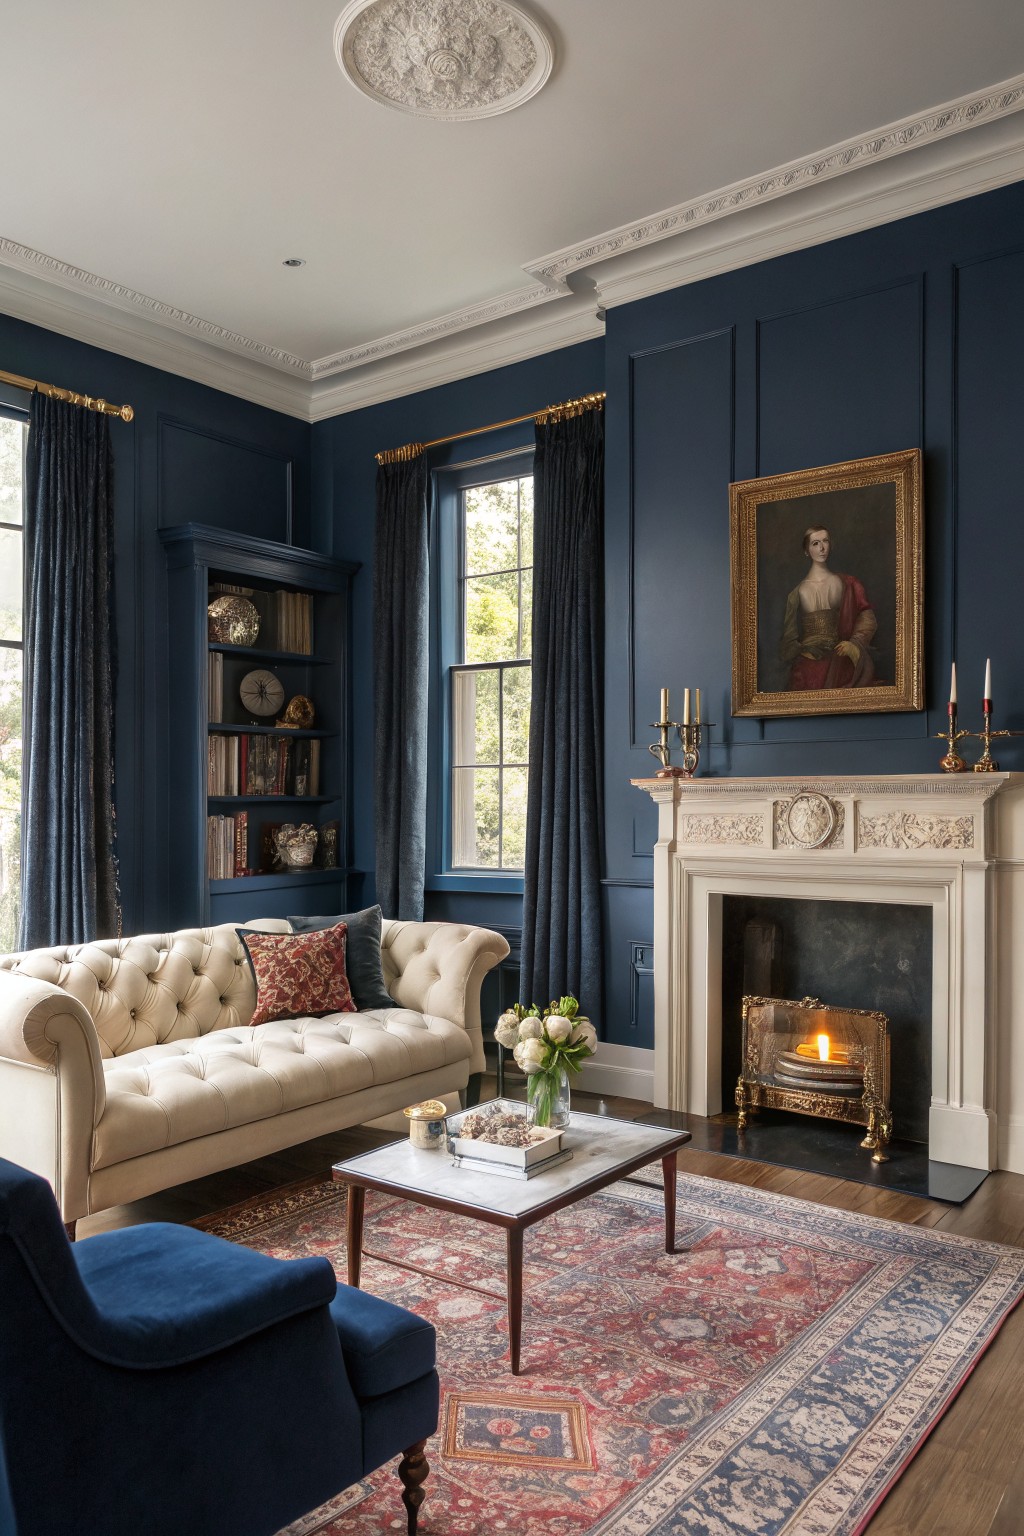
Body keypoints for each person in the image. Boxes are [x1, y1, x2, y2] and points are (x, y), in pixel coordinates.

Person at [780, 526, 877, 690]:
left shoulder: (849, 584)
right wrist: (803, 649)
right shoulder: (795, 594)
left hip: (839, 662)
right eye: (815, 543)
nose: (822, 548)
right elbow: (787, 644)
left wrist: (854, 644)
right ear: (806, 550)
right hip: (806, 668)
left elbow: (867, 617)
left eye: (825, 541)